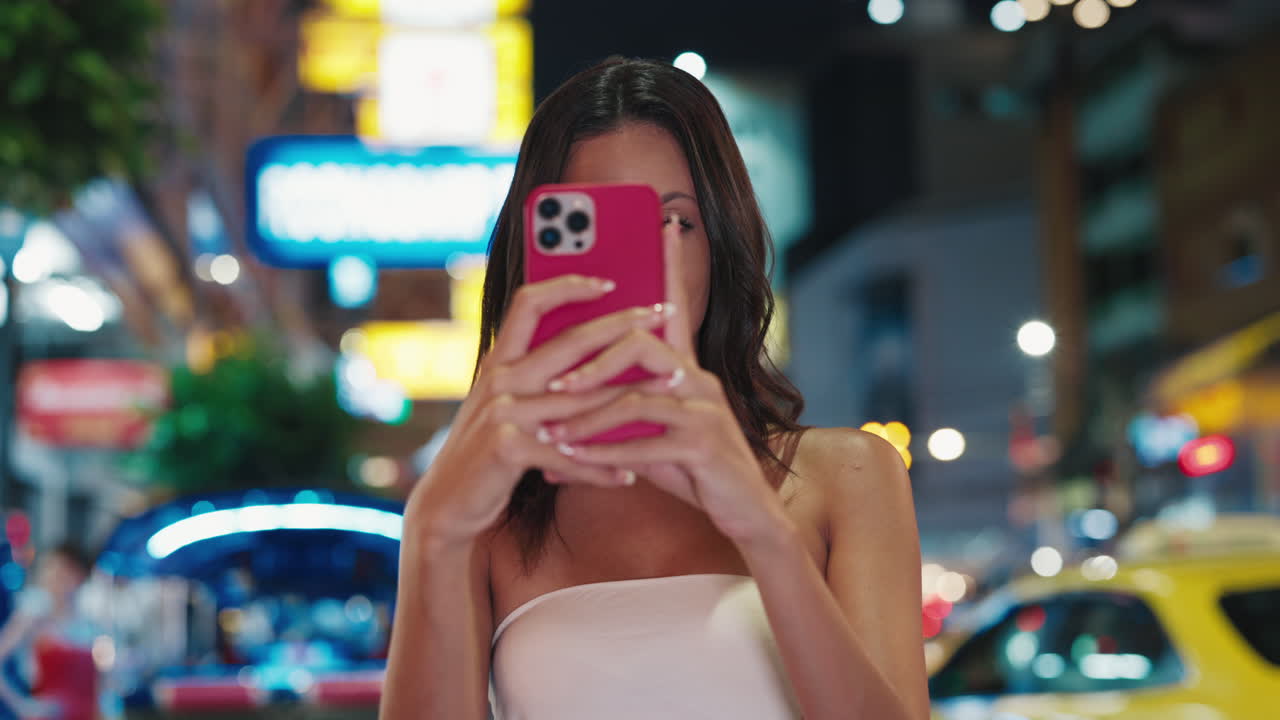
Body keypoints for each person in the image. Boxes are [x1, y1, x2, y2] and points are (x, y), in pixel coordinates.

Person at [381, 57, 928, 720]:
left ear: (721, 243)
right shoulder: (487, 513)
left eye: (676, 222)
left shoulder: (847, 475)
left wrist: (760, 526)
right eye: (605, 227)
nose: (651, 260)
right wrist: (432, 531)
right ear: (539, 255)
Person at [0, 543, 97, 720]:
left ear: (80, 576)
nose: (55, 577)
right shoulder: (32, 618)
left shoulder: (90, 624)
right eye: (50, 569)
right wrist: (22, 705)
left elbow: (100, 683)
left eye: (65, 571)